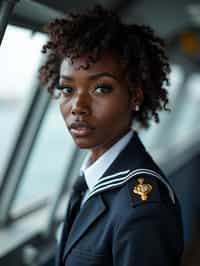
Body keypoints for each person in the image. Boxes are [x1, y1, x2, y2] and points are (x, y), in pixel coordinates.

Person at [39, 5, 184, 266]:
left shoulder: (142, 210)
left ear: (135, 96)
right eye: (67, 89)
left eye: (101, 88)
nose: (78, 107)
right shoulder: (92, 179)